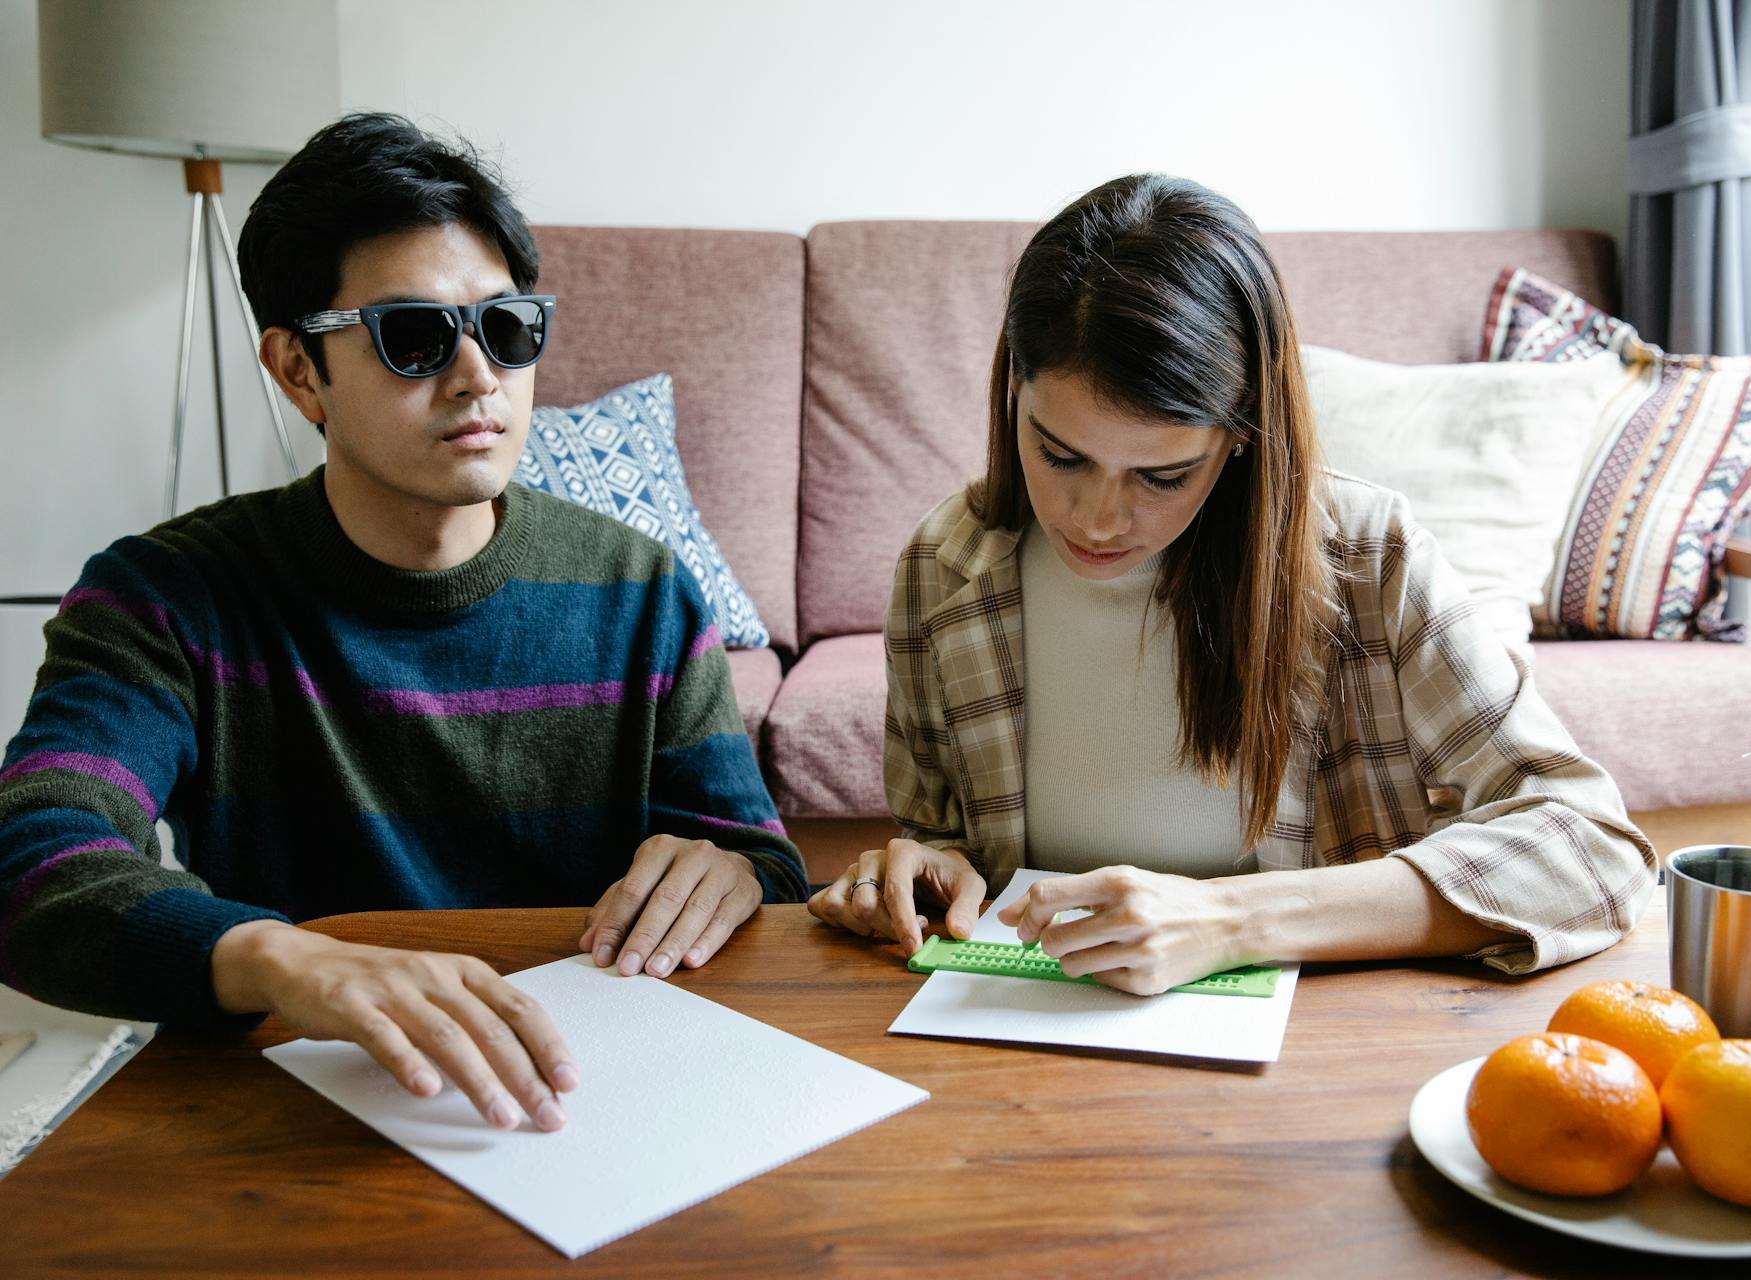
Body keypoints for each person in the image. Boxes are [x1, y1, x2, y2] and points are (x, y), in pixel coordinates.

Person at [0, 114, 806, 1133]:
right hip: (309, 1104)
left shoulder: (638, 587)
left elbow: (764, 861)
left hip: (586, 1106)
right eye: (414, 337)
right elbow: (30, 855)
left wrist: (730, 867)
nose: (479, 376)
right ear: (298, 372)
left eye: (507, 327)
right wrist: (282, 956)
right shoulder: (164, 596)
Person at [809, 174, 1656, 991]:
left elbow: (1594, 850)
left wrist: (1236, 922)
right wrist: (924, 870)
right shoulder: (941, 570)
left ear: (1242, 436)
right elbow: (939, 838)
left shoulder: (1370, 558)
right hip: (1017, 1047)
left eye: (1163, 476)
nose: (1098, 518)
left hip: (1304, 1062)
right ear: (1012, 393)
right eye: (1060, 454)